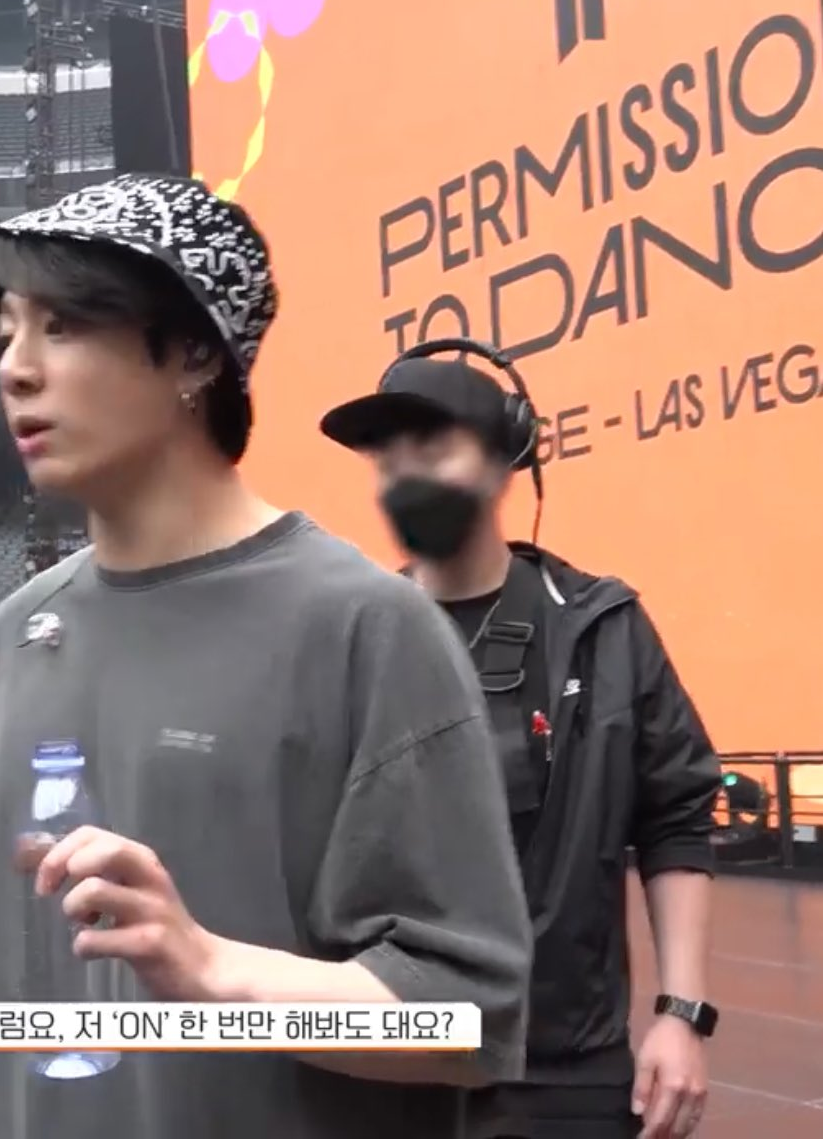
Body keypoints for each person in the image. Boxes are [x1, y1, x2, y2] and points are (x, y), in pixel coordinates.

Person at [0, 176, 533, 1139]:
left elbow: (467, 1020)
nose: (16, 370)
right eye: (5, 335)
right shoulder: (21, 625)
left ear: (196, 350)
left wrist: (212, 970)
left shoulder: (365, 625)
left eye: (62, 326)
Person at [319, 339, 723, 1139]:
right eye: (388, 459)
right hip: (393, 1059)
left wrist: (683, 1014)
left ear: (507, 458)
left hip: (568, 1065)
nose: (406, 476)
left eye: (433, 448)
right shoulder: (349, 641)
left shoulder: (603, 627)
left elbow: (676, 817)